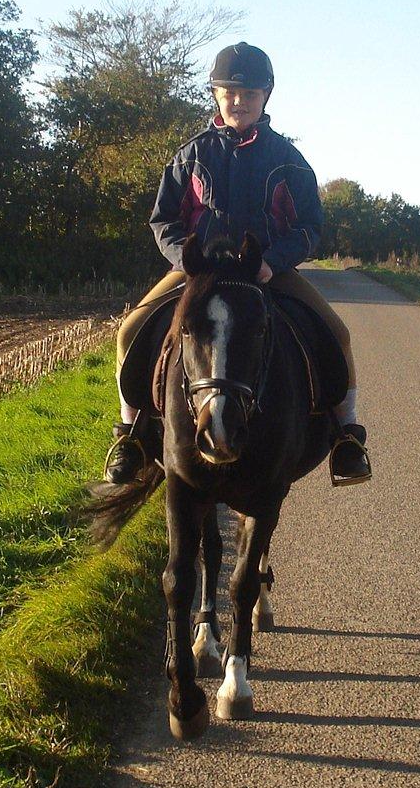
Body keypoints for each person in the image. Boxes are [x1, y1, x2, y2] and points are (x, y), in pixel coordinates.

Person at [105, 41, 370, 485]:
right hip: (197, 274)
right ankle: (129, 435)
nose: (238, 101)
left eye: (249, 93)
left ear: (266, 96)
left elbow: (309, 227)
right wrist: (187, 262)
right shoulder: (189, 155)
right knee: (129, 331)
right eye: (229, 92)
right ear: (215, 94)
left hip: (268, 271)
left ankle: (347, 437)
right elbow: (162, 219)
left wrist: (273, 261)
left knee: (337, 335)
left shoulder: (289, 160)